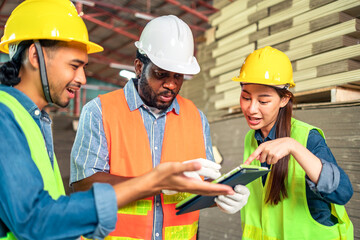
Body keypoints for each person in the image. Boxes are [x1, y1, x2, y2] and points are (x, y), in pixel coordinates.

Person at [0, 1, 235, 239]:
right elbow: (36, 218)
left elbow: (47, 209)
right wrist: (150, 182)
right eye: (74, 66)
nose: (82, 78)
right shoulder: (8, 116)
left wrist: (219, 194)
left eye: (179, 76)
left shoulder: (34, 119)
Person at [70, 15, 249, 240]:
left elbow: (200, 184)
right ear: (138, 66)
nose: (171, 84)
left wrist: (221, 194)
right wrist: (157, 183)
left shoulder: (196, 118)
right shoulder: (99, 111)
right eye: (161, 74)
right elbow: (83, 184)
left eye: (178, 76)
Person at [232, 46, 354, 239]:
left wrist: (294, 147)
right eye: (246, 97)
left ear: (283, 100)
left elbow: (343, 192)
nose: (251, 108)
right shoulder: (251, 138)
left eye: (263, 101)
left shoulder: (307, 138)